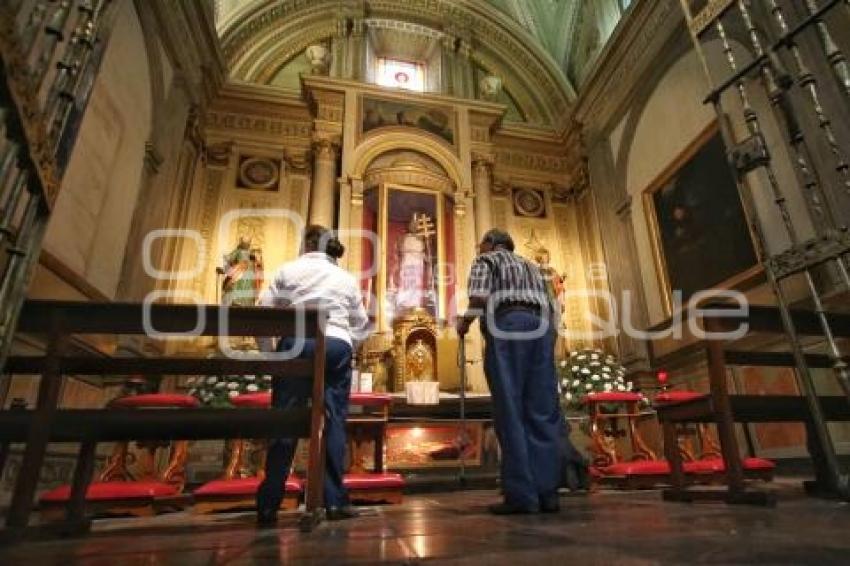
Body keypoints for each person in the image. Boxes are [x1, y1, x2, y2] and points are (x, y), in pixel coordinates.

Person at [255, 225, 371, 526]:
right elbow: (361, 323)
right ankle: (333, 500)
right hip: (335, 345)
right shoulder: (346, 278)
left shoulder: (288, 270)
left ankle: (269, 503)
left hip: (296, 344)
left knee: (285, 420)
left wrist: (270, 355)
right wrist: (349, 346)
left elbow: (263, 313)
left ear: (306, 244)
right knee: (334, 421)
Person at [456, 229, 564, 514]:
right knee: (542, 409)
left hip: (509, 325)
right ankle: (548, 493)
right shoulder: (533, 266)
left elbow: (478, 298)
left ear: (490, 244)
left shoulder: (487, 261)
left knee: (510, 408)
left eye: (481, 244)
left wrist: (463, 324)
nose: (479, 249)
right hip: (542, 329)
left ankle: (522, 496)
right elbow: (554, 306)